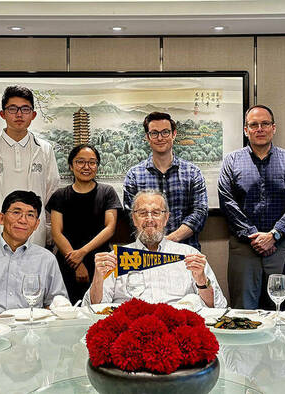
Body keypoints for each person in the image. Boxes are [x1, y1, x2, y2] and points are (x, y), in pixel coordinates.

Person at [219, 105, 285, 309]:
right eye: (254, 125)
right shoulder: (231, 161)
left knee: (283, 308)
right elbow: (227, 201)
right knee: (243, 310)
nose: (260, 128)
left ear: (273, 128)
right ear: (246, 130)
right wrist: (254, 236)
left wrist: (273, 235)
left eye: (265, 124)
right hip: (243, 247)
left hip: (281, 246)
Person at [87, 190, 226, 307]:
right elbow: (94, 308)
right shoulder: (115, 258)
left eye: (156, 213)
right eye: (142, 213)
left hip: (178, 328)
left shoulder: (189, 254)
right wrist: (98, 277)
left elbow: (217, 306)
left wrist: (201, 281)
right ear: (134, 219)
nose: (149, 219)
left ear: (166, 218)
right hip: (129, 327)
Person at [0, 85, 60, 251]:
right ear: (3, 114)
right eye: (12, 109)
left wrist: (49, 238)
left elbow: (52, 198)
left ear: (33, 114)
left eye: (25, 109)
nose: (19, 114)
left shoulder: (44, 149)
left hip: (35, 240)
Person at [122, 112, 207, 251]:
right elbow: (132, 216)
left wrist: (169, 241)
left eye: (165, 132)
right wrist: (155, 243)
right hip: (146, 252)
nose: (160, 138)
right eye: (154, 133)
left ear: (174, 134)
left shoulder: (193, 173)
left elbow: (200, 213)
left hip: (186, 251)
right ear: (147, 137)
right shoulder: (134, 175)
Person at [46, 144, 120, 304]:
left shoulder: (107, 192)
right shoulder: (60, 195)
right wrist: (77, 262)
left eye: (92, 162)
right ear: (71, 166)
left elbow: (110, 228)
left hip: (101, 261)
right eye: (80, 162)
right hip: (67, 261)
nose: (86, 167)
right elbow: (56, 233)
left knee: (100, 309)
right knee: (66, 309)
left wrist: (82, 252)